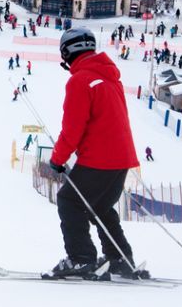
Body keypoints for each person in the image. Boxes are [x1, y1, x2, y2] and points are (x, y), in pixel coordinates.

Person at [48, 27, 145, 280]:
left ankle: (81, 259)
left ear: (68, 52)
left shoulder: (80, 81)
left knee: (69, 201)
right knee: (100, 206)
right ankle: (120, 258)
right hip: (121, 159)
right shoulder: (110, 77)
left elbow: (72, 129)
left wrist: (57, 159)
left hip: (99, 159)